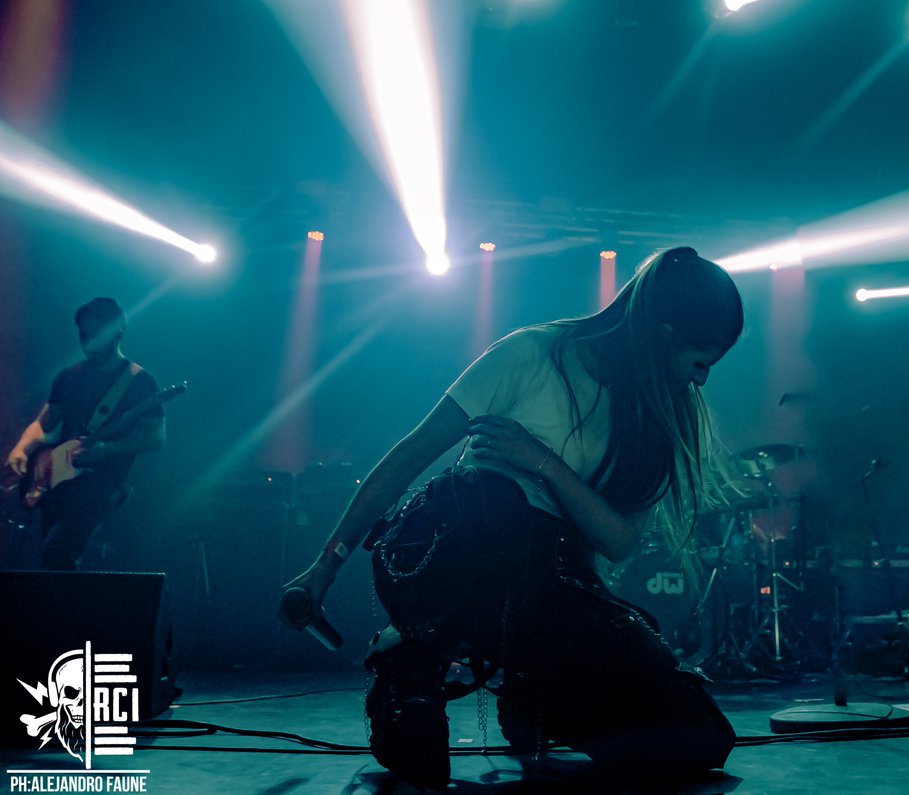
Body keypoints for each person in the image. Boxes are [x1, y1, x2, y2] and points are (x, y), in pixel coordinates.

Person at [281, 247, 741, 789]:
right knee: (502, 510)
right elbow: (409, 455)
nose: (703, 381)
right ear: (662, 332)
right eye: (699, 362)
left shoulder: (656, 417)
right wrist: (324, 566)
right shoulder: (529, 355)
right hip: (460, 546)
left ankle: (528, 686)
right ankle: (410, 656)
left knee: (700, 736)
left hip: (555, 582)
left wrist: (541, 462)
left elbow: (618, 541)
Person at [5, 297, 166, 570]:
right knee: (43, 555)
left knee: (59, 552)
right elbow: (44, 423)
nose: (89, 339)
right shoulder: (69, 377)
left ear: (118, 331)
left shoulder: (140, 381)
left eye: (97, 332)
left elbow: (156, 437)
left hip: (103, 482)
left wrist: (108, 449)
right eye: (84, 332)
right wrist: (20, 448)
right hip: (58, 477)